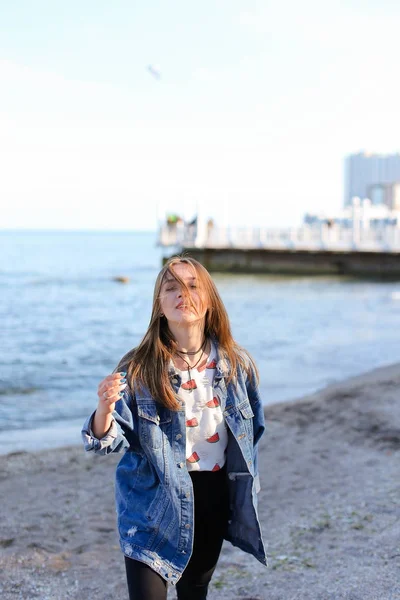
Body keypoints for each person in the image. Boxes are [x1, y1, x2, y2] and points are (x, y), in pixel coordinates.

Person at [82, 256, 267, 600]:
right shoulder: (138, 367)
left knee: (195, 593)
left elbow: (252, 432)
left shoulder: (235, 365)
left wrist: (244, 490)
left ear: (209, 299)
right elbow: (103, 441)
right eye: (172, 288)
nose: (183, 294)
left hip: (210, 497)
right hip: (150, 501)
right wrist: (104, 407)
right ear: (160, 304)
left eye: (193, 286)